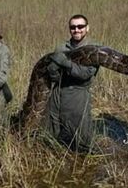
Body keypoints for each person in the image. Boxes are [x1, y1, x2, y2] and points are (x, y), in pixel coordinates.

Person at [46, 14, 99, 153]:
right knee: (53, 129)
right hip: (58, 92)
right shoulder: (61, 47)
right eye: (73, 27)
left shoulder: (94, 49)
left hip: (78, 93)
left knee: (81, 136)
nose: (77, 30)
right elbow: (55, 78)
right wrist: (52, 72)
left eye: (80, 26)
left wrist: (66, 64)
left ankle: (82, 163)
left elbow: (85, 74)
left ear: (87, 28)